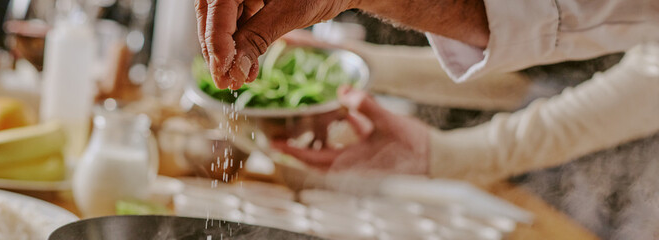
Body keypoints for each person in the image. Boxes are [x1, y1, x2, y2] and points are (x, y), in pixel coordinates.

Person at [194, 0, 659, 185]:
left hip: (613, 183)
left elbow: (539, 24)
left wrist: (451, 155)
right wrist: (361, 69)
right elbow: (525, 63)